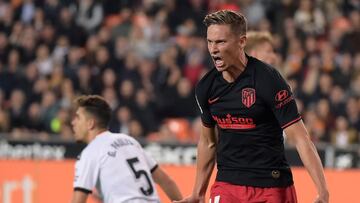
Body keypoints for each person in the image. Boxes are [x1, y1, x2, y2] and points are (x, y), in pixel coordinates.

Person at [175, 10, 328, 203]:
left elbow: (300, 138)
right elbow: (208, 142)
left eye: (221, 42)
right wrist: (198, 193)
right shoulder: (206, 87)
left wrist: (322, 192)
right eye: (210, 42)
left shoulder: (269, 80)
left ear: (241, 42)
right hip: (227, 183)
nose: (213, 49)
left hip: (271, 185)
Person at [70, 95, 182, 203]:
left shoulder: (90, 152)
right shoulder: (130, 141)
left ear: (90, 124)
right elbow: (166, 181)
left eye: (78, 117)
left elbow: (78, 200)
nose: (73, 122)